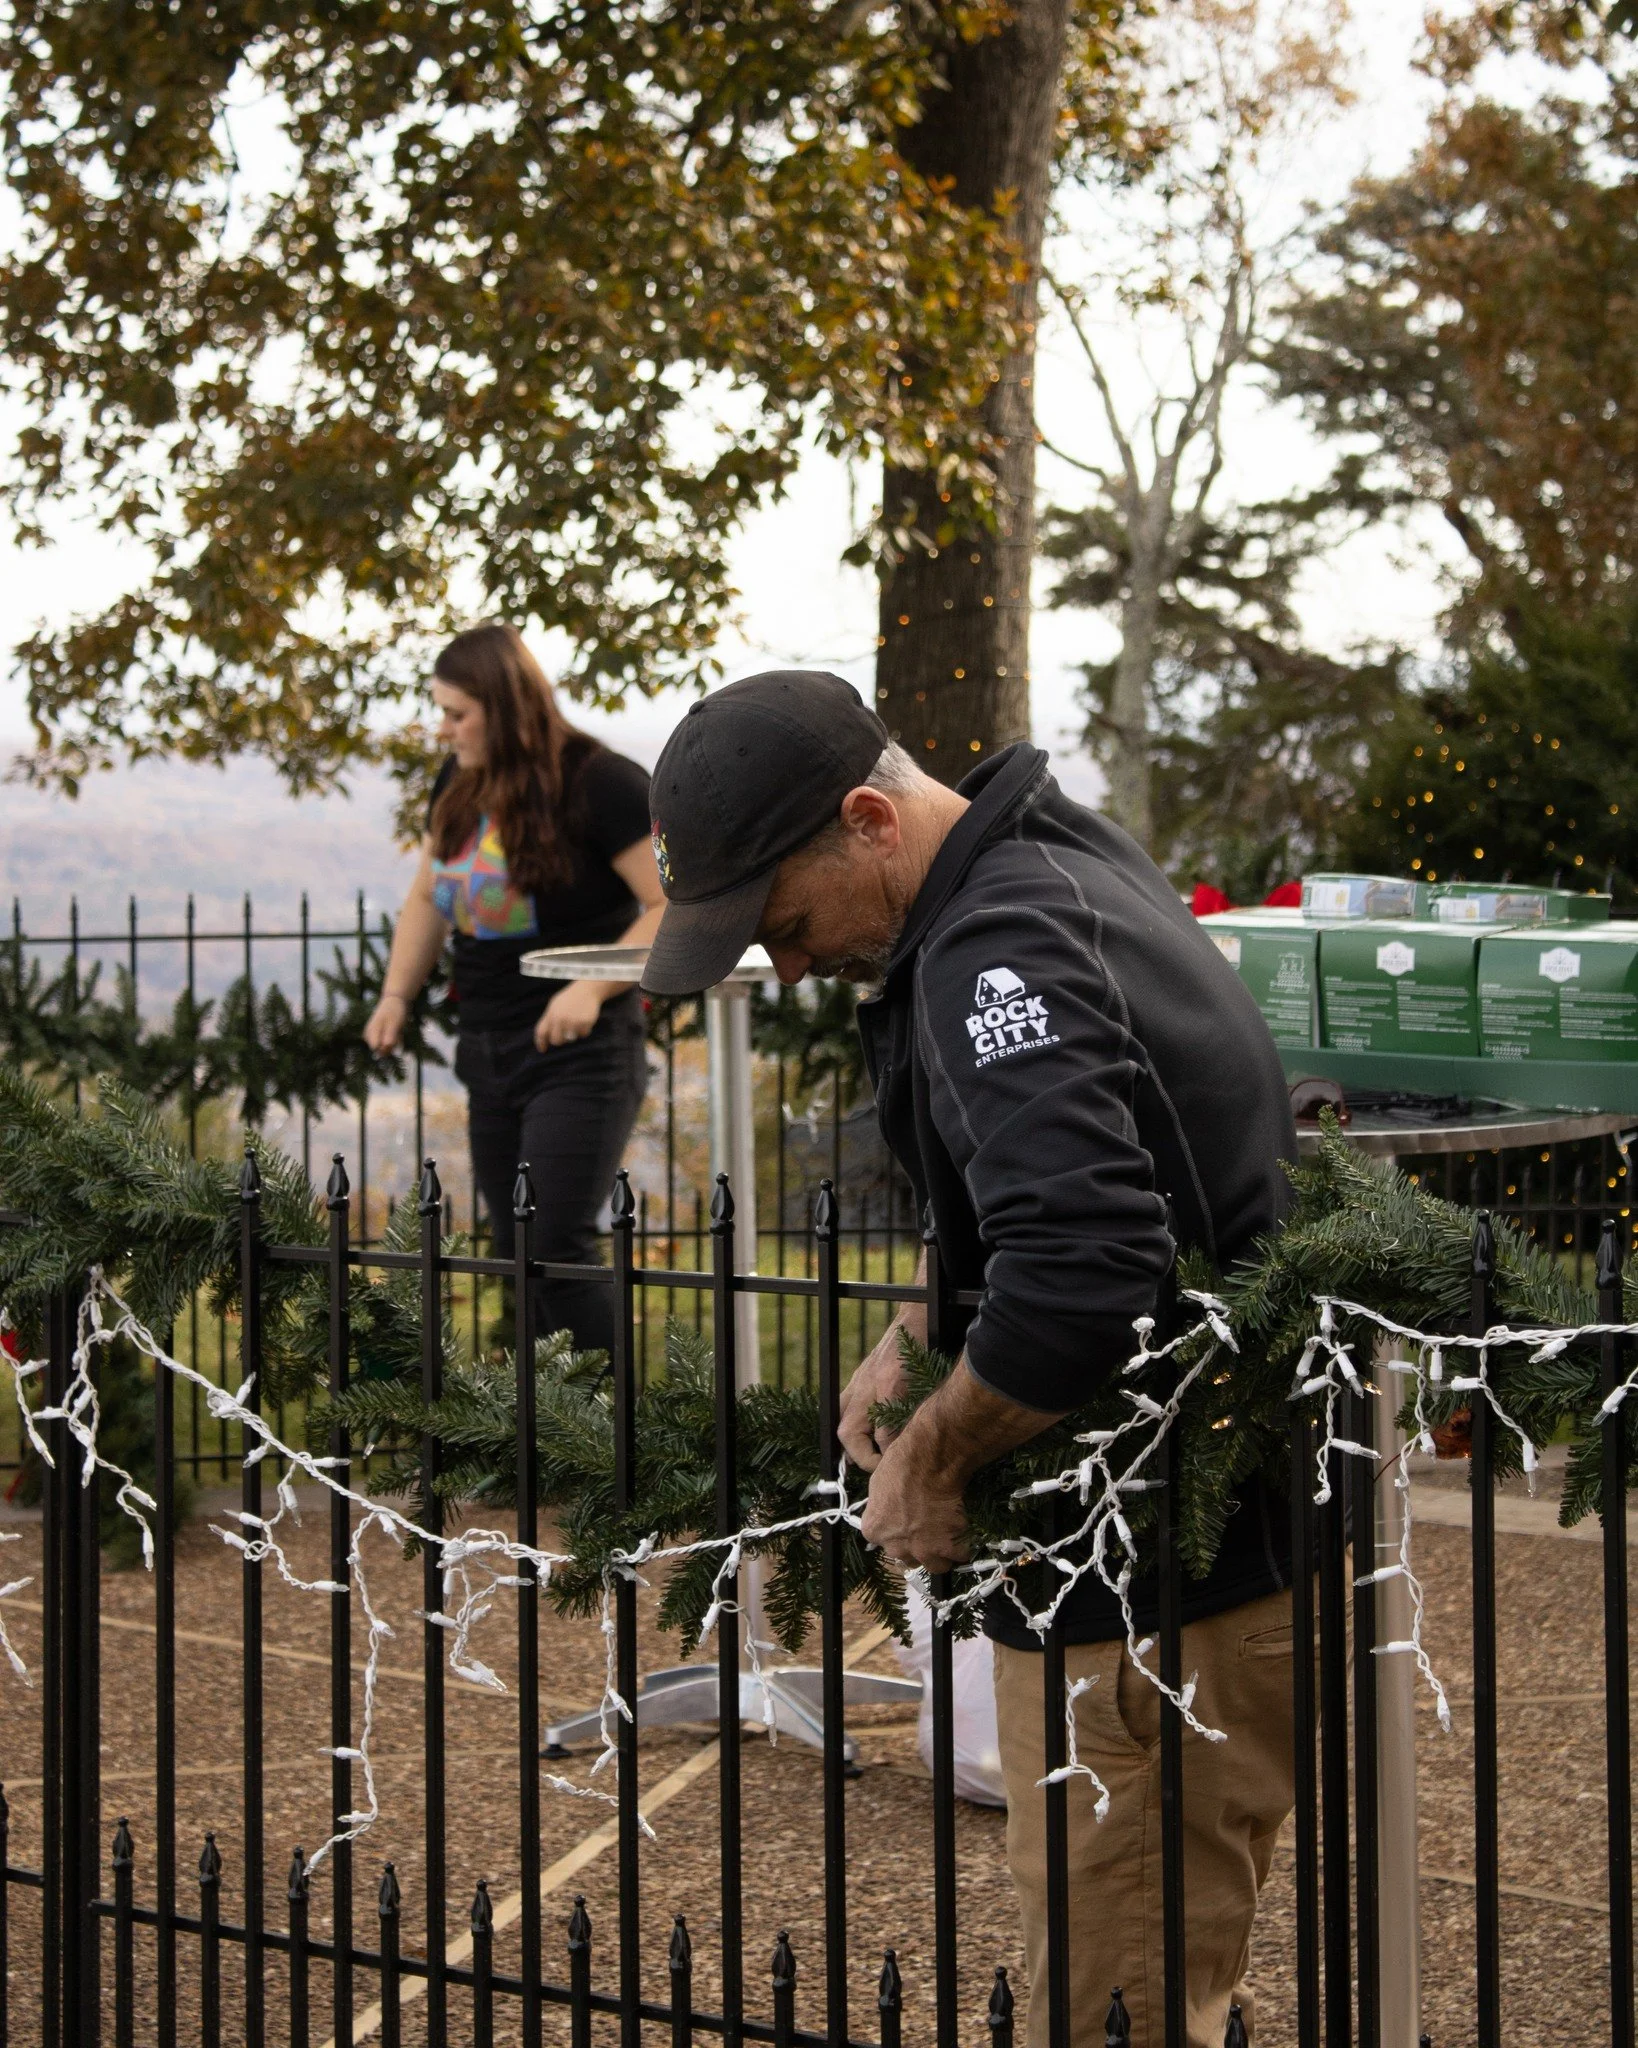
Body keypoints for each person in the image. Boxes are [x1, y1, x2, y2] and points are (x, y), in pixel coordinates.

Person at [639, 670, 1299, 2048]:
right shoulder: (1044, 854)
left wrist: (935, 1455)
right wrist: (925, 1326)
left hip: (1154, 1582)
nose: (800, 969)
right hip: (1185, 1535)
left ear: (870, 819)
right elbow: (1082, 1181)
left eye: (787, 925)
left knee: (1116, 2008)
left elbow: (1085, 1274)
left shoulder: (992, 944)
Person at [365, 624, 662, 1356]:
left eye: (457, 712)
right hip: (489, 1047)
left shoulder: (603, 782)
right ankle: (545, 1441)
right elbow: (427, 899)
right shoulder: (458, 783)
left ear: (506, 705)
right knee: (519, 1251)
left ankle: (616, 1444)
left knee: (556, 1246)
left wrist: (591, 989)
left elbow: (673, 906)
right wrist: (397, 996)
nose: (444, 728)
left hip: (583, 1053)